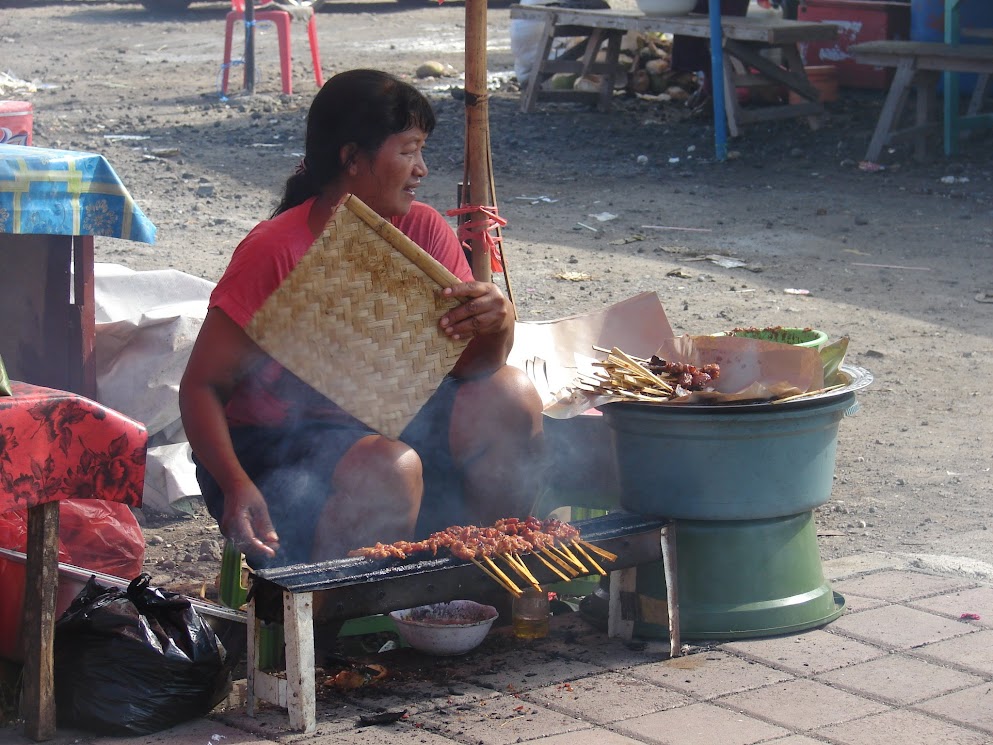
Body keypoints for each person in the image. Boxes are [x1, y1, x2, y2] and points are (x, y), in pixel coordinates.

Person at [180, 69, 545, 569]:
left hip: (391, 426)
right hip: (275, 456)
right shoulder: (276, 250)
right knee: (389, 467)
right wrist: (237, 487)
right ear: (352, 158)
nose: (421, 169)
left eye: (422, 150)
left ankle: (473, 578)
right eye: (408, 150)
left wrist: (497, 323)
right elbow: (201, 387)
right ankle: (325, 627)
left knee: (510, 394)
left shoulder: (424, 228)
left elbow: (469, 369)